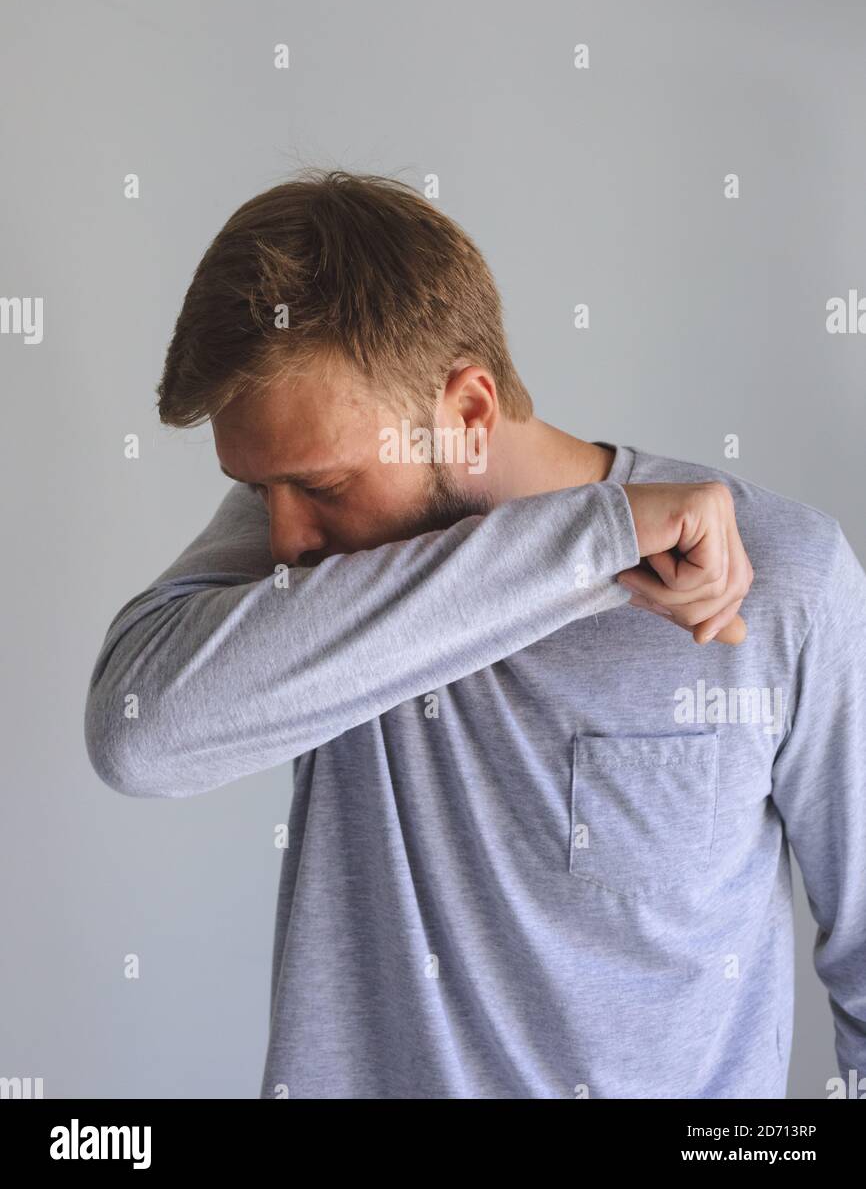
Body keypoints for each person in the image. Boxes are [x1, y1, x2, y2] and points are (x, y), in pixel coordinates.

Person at [84, 170, 865, 1099]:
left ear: (466, 414)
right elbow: (139, 739)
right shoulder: (309, 536)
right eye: (258, 491)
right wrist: (593, 540)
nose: (285, 543)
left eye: (324, 488)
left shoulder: (784, 577)